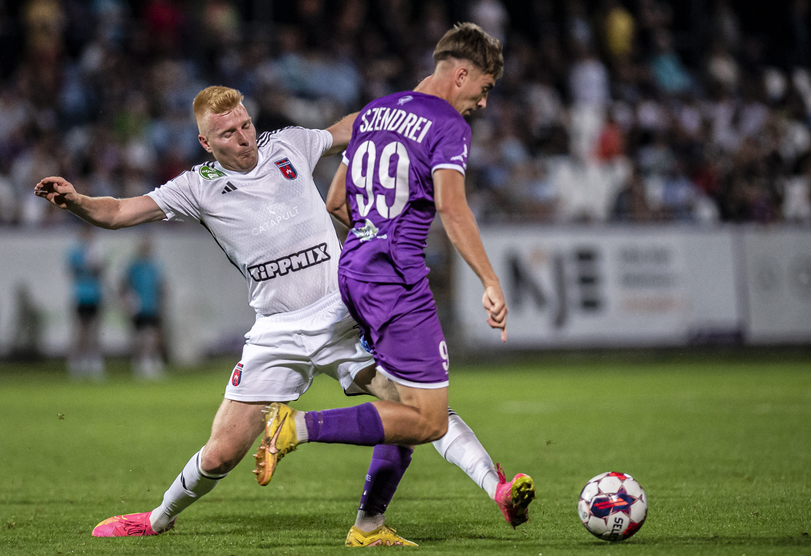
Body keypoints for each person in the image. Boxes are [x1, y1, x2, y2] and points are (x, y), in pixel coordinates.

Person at [34, 84, 527, 547]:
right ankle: (156, 518)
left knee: (419, 412)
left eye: (246, 125)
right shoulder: (197, 186)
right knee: (222, 452)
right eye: (228, 133)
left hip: (342, 315)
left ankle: (495, 490)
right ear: (206, 143)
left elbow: (351, 126)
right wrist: (77, 202)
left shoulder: (289, 144)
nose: (243, 137)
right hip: (276, 331)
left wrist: (418, 100)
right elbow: (118, 212)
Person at [254, 22, 534, 539]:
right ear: (462, 74)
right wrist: (490, 281)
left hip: (355, 270)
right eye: (485, 88)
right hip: (395, 281)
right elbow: (452, 208)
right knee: (429, 419)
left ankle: (369, 524)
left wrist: (370, 234)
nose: (483, 102)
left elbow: (336, 201)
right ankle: (297, 426)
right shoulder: (447, 125)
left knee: (405, 407)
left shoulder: (375, 112)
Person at [122, 236, 167, 380]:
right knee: (140, 336)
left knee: (152, 335)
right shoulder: (134, 266)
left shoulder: (154, 266)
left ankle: (151, 359)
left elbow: (161, 286)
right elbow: (124, 285)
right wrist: (128, 302)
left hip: (152, 305)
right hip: (138, 307)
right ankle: (140, 361)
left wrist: (162, 302)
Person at [65, 225, 105, 379]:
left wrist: (97, 266)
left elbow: (101, 271)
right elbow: (71, 272)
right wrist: (85, 265)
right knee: (81, 330)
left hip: (95, 294)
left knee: (95, 329)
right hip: (81, 294)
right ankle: (77, 360)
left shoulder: (97, 251)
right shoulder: (75, 252)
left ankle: (94, 360)